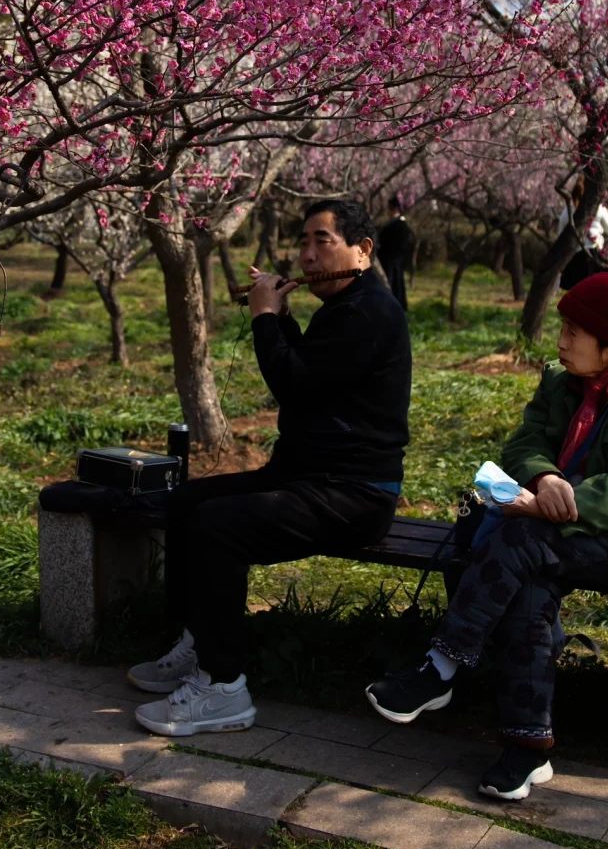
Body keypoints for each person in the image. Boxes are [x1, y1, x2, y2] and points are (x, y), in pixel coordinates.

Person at [365, 271, 608, 802]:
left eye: (574, 332)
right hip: (553, 532)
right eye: (561, 327)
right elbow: (526, 442)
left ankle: (440, 667)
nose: (560, 341)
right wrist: (544, 478)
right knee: (527, 592)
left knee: (518, 542)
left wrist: (553, 506)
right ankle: (528, 749)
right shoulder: (560, 381)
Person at [130, 198, 411, 736]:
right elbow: (316, 378)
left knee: (219, 527)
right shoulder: (348, 307)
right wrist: (282, 318)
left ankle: (223, 688)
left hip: (355, 493)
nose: (306, 256)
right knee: (189, 502)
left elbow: (293, 385)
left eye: (321, 242)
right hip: (307, 475)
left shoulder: (370, 312)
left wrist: (264, 317)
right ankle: (199, 643)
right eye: (302, 242)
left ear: (363, 250)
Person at [377, 194, 414, 309]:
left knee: (392, 283)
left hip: (391, 259)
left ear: (395, 209)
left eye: (389, 209)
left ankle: (392, 306)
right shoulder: (399, 224)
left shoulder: (398, 225)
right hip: (395, 259)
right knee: (395, 283)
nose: (388, 211)